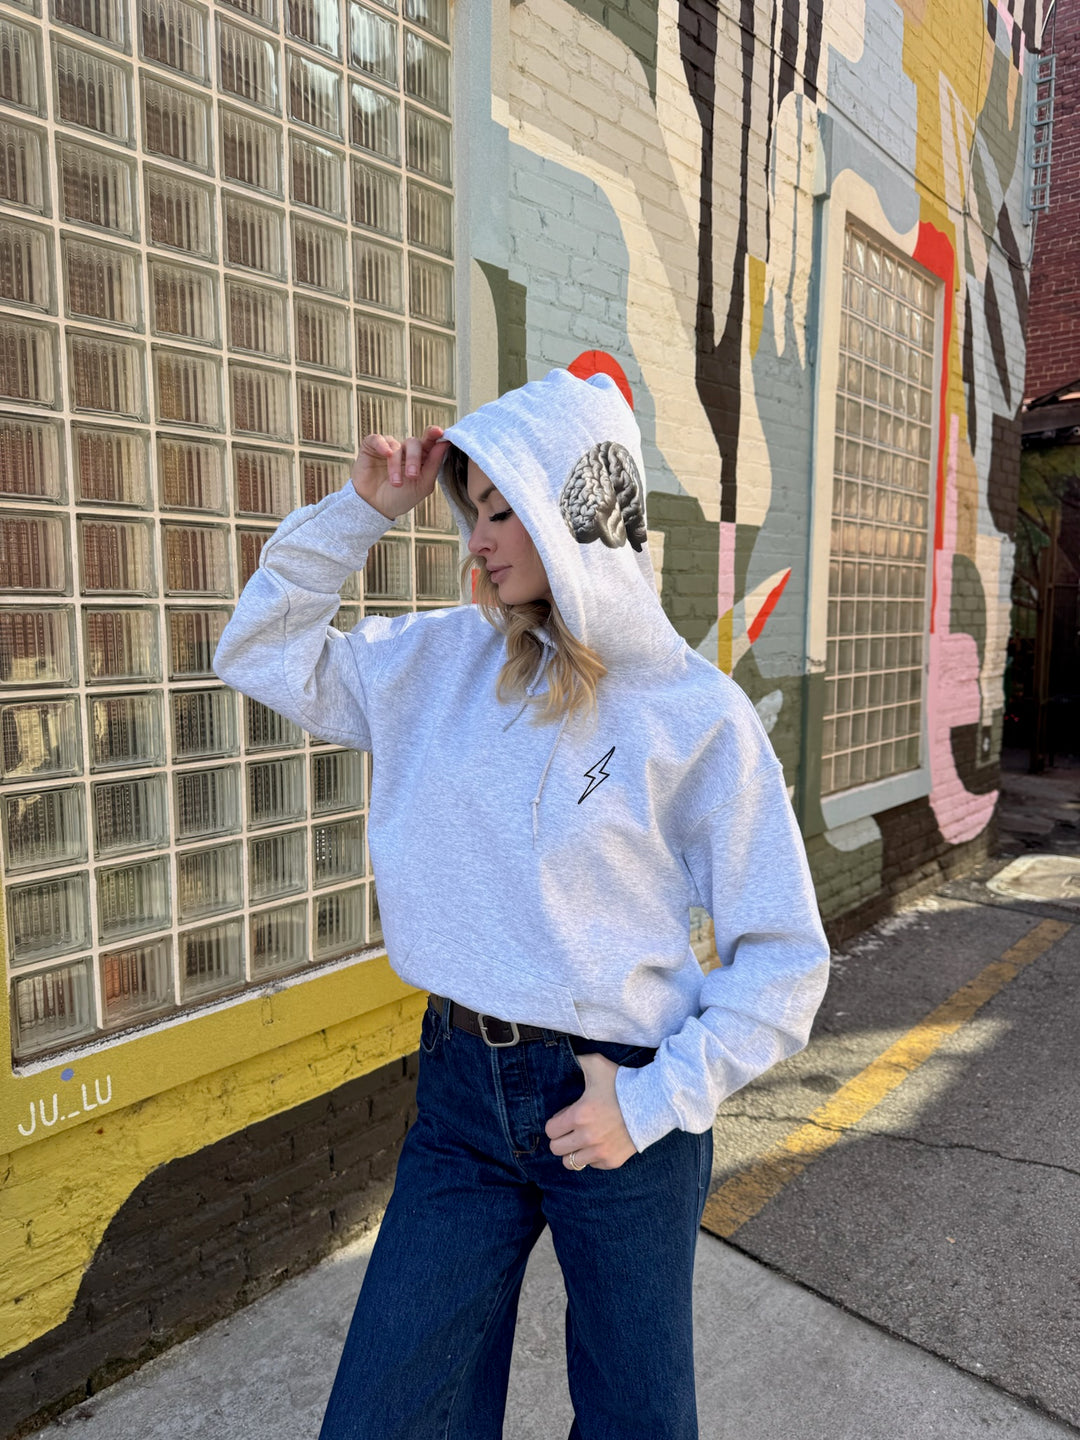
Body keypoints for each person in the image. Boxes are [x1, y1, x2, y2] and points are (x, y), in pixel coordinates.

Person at [214, 368, 830, 1440]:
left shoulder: (695, 716)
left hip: (621, 1104)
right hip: (460, 1098)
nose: (480, 535)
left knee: (637, 1421)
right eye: (473, 507)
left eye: (508, 508)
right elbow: (259, 652)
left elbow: (786, 961)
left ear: (581, 514)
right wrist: (364, 510)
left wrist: (646, 1107)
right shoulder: (434, 664)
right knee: (383, 1419)